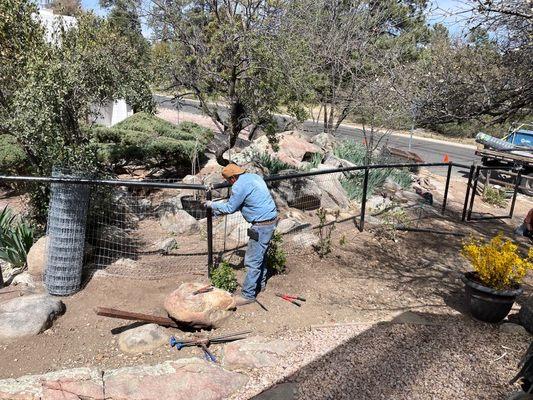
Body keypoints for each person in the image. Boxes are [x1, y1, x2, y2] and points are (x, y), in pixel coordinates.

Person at [205, 164, 278, 306]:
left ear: (232, 178)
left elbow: (231, 207)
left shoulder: (239, 186)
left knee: (252, 261)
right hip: (271, 219)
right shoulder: (254, 177)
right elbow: (246, 201)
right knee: (261, 255)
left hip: (261, 225)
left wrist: (211, 205)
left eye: (228, 181)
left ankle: (248, 295)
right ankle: (260, 285)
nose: (229, 183)